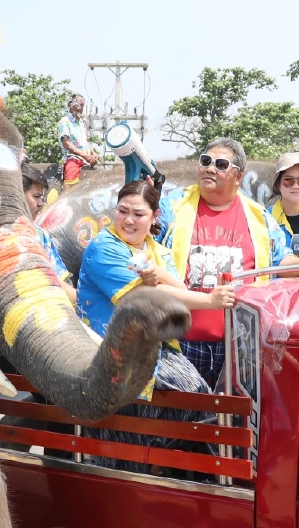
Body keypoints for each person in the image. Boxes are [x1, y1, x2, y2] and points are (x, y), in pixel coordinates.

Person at [158, 138, 299, 388]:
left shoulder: (259, 218)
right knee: (184, 418)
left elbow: (281, 262)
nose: (209, 168)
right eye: (205, 161)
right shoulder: (171, 208)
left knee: (236, 418)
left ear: (238, 177)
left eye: (220, 164)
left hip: (241, 345)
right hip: (179, 341)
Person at [77, 180, 232, 472]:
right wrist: (210, 301)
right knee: (193, 406)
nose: (128, 220)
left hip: (154, 351)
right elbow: (142, 298)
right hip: (112, 355)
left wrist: (161, 273)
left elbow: (178, 295)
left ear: (154, 216)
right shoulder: (104, 247)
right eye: (122, 211)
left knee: (200, 405)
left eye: (138, 214)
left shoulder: (155, 249)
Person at [22, 164, 76, 303]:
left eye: (42, 197)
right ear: (17, 195)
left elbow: (59, 280)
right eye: (36, 196)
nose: (41, 204)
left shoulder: (40, 235)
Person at [58, 95, 98, 185]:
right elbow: (66, 143)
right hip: (73, 159)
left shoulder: (81, 122)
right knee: (71, 182)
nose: (81, 108)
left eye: (83, 105)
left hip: (86, 160)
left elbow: (85, 141)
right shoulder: (65, 121)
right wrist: (84, 155)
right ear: (70, 105)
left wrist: (93, 153)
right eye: (79, 105)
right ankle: (65, 195)